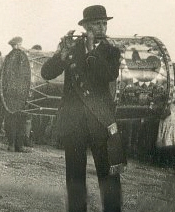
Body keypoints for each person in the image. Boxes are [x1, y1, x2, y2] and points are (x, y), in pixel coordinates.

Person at [41, 5, 125, 212]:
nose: (102, 27)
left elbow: (107, 76)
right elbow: (46, 73)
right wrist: (61, 53)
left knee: (109, 176)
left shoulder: (112, 51)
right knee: (75, 177)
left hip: (100, 120)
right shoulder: (72, 48)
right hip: (74, 123)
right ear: (86, 25)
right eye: (97, 23)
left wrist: (90, 51)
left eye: (104, 23)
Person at [2, 37, 31, 152]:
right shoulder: (22, 56)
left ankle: (13, 144)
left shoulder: (9, 56)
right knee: (19, 119)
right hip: (19, 93)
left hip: (11, 93)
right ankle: (17, 145)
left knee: (13, 119)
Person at [156, 86, 175, 168]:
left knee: (172, 144)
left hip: (173, 125)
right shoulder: (167, 105)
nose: (173, 95)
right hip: (167, 125)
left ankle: (172, 163)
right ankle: (167, 162)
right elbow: (163, 115)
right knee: (167, 144)